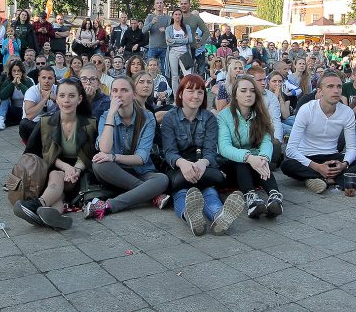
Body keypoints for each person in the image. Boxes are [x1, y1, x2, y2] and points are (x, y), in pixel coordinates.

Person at [161, 74, 244, 235]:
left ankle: (219, 215)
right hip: (178, 166)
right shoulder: (170, 118)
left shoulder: (209, 118)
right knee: (182, 191)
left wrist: (202, 163)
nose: (195, 96)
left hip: (202, 165)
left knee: (209, 190)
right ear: (180, 94)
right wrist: (183, 164)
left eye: (200, 92)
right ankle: (191, 216)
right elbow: (169, 151)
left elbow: (210, 150)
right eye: (190, 91)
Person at [15, 78, 97, 229]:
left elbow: (88, 154)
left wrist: (75, 170)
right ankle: (54, 215)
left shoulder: (90, 124)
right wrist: (66, 168)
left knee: (58, 179)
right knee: (56, 176)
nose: (66, 100)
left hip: (80, 174)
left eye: (71, 96)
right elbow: (44, 153)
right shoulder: (46, 123)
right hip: (53, 168)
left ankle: (37, 205)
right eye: (62, 95)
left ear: (79, 99)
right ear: (56, 98)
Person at [84, 77, 169, 219]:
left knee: (162, 179)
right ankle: (149, 194)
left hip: (140, 170)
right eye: (115, 91)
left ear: (134, 94)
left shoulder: (147, 118)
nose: (118, 95)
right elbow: (104, 149)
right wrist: (111, 115)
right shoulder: (106, 116)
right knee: (98, 165)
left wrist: (114, 157)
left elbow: (141, 158)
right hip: (114, 172)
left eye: (124, 90)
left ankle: (109, 205)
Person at [281, 70, 356, 193]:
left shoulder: (347, 112)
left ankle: (315, 178)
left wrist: (344, 164)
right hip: (307, 157)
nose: (336, 90)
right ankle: (329, 178)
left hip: (331, 156)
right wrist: (317, 167)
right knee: (287, 165)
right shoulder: (307, 109)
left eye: (339, 86)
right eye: (330, 86)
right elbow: (290, 149)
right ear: (320, 92)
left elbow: (352, 148)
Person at [218, 75, 283, 218]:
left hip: (256, 163)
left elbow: (266, 141)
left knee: (263, 159)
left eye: (252, 91)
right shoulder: (224, 116)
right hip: (231, 164)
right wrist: (248, 157)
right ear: (235, 95)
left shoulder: (260, 114)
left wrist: (264, 157)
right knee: (242, 161)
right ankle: (251, 199)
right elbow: (224, 147)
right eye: (243, 90)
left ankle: (274, 196)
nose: (248, 94)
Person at [19, 66, 58, 142]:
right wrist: (45, 98)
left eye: (50, 78)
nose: (46, 81)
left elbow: (68, 108)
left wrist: (55, 99)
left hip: (50, 124)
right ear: (38, 79)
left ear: (54, 79)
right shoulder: (32, 91)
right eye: (44, 78)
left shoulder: (58, 89)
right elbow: (30, 116)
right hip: (34, 124)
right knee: (24, 124)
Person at [246, 66, 283, 145]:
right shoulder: (241, 96)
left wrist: (277, 141)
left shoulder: (271, 96)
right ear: (250, 80)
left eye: (264, 79)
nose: (263, 83)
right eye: (259, 80)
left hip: (265, 134)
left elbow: (275, 120)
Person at [0, 60, 34, 130]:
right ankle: (1, 120)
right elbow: (2, 96)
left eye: (19, 71)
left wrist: (20, 84)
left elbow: (31, 96)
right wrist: (12, 83)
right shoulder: (7, 81)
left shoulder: (28, 81)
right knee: (5, 99)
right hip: (13, 109)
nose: (16, 73)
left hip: (25, 110)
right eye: (14, 71)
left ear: (22, 72)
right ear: (11, 72)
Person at [165, 9, 193, 96]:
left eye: (179, 14)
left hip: (184, 53)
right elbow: (168, 41)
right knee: (174, 76)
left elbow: (190, 40)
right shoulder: (169, 28)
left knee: (188, 75)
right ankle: (176, 96)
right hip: (173, 53)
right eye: (176, 14)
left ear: (182, 16)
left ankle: (187, 94)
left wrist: (174, 41)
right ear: (173, 16)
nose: (177, 16)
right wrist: (184, 40)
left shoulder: (187, 27)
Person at [179, 0, 209, 76]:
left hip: (190, 48)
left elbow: (206, 32)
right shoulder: (176, 17)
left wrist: (201, 43)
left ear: (189, 5)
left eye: (185, 3)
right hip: (177, 48)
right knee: (176, 73)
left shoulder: (196, 18)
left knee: (188, 72)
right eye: (181, 4)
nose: (183, 5)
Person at [143, 0, 170, 74]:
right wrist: (151, 23)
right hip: (152, 48)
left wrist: (166, 30)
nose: (159, 5)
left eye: (161, 3)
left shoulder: (168, 18)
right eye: (157, 3)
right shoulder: (150, 17)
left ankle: (164, 85)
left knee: (165, 70)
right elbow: (143, 30)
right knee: (150, 69)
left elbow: (172, 32)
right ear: (154, 6)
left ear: (163, 5)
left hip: (164, 47)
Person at [266, 71, 292, 135]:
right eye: (274, 81)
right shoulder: (265, 95)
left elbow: (285, 115)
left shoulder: (285, 96)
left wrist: (280, 98)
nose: (277, 84)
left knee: (294, 120)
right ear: (269, 82)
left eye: (280, 81)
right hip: (270, 122)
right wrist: (275, 96)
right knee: (292, 130)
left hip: (282, 120)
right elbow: (270, 115)